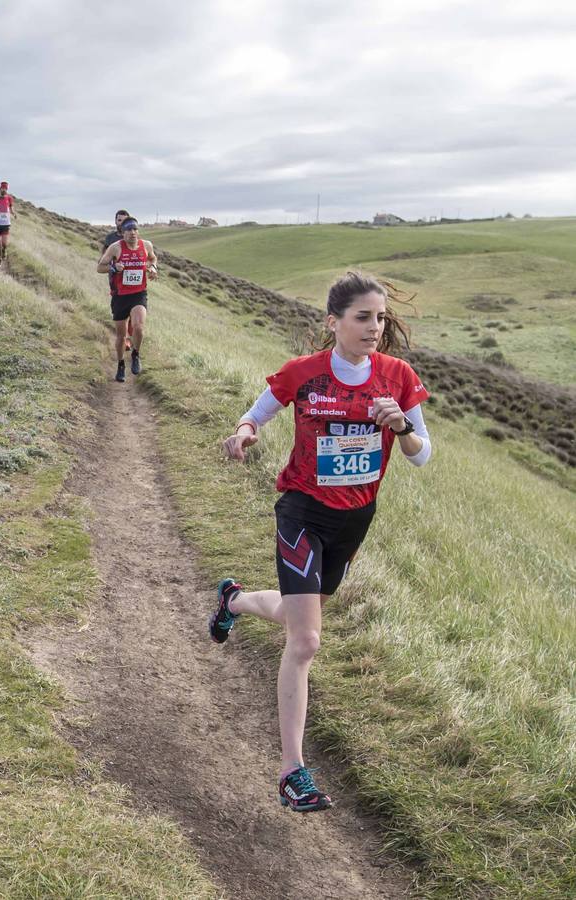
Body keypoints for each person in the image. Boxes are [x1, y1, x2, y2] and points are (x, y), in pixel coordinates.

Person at [210, 271, 433, 814]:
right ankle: (292, 771)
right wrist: (244, 432)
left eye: (380, 318)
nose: (374, 328)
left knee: (293, 614)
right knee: (306, 641)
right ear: (333, 322)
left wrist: (402, 427)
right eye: (363, 317)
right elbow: (256, 412)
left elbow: (422, 454)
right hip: (303, 512)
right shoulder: (305, 374)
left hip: (355, 520)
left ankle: (233, 599)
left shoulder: (397, 376)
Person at [95, 217, 157, 377]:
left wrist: (153, 268)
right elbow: (100, 267)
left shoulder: (146, 245)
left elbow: (153, 258)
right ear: (122, 233)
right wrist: (114, 267)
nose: (132, 233)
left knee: (139, 326)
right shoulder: (115, 248)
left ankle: (136, 354)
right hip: (120, 296)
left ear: (138, 231)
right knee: (121, 336)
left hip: (139, 293)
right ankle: (121, 364)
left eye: (135, 229)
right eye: (128, 230)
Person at [103, 210, 134, 375]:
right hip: (115, 279)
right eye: (119, 220)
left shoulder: (132, 236)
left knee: (133, 310)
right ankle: (124, 336)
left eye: (124, 220)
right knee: (120, 311)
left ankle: (128, 338)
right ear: (115, 221)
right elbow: (103, 258)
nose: (121, 223)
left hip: (133, 281)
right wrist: (112, 267)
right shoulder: (110, 239)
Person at [0, 182, 16, 266]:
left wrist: (14, 214)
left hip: (6, 224)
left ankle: (4, 250)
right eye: (3, 188)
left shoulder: (9, 198)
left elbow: (11, 209)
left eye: (6, 189)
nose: (4, 190)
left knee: (4, 243)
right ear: (0, 188)